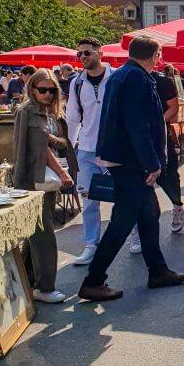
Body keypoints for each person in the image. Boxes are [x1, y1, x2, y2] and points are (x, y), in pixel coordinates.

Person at [78, 35, 184, 302]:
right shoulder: (136, 78)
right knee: (123, 220)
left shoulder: (125, 75)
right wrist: (151, 163)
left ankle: (158, 270)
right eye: (158, 55)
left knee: (149, 213)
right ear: (154, 56)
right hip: (131, 162)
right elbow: (138, 125)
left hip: (126, 159)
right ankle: (94, 280)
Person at [12, 69, 74, 303]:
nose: (47, 94)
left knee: (38, 231)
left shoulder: (51, 112)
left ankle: (30, 281)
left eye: (52, 89)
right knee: (43, 232)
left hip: (47, 179)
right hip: (33, 178)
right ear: (32, 88)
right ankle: (45, 286)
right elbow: (25, 149)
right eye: (43, 89)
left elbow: (59, 143)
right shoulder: (26, 112)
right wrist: (18, 185)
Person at [66, 38, 114, 266]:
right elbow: (73, 117)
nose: (83, 57)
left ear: (100, 53)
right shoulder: (76, 83)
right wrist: (69, 147)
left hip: (114, 149)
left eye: (87, 53)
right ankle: (90, 245)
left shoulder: (116, 78)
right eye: (79, 54)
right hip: (86, 149)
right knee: (89, 200)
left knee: (124, 195)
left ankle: (135, 236)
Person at [152, 65, 184, 234]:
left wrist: (158, 123)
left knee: (168, 175)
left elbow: (174, 107)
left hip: (161, 138)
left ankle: (177, 204)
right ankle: (142, 224)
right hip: (134, 138)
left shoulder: (162, 82)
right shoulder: (126, 80)